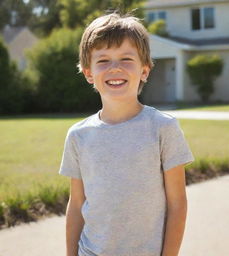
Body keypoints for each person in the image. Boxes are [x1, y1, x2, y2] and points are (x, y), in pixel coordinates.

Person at [59, 11, 195, 256]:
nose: (115, 68)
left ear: (144, 70)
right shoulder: (78, 136)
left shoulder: (163, 128)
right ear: (89, 73)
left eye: (125, 59)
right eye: (103, 61)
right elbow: (77, 204)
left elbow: (177, 204)